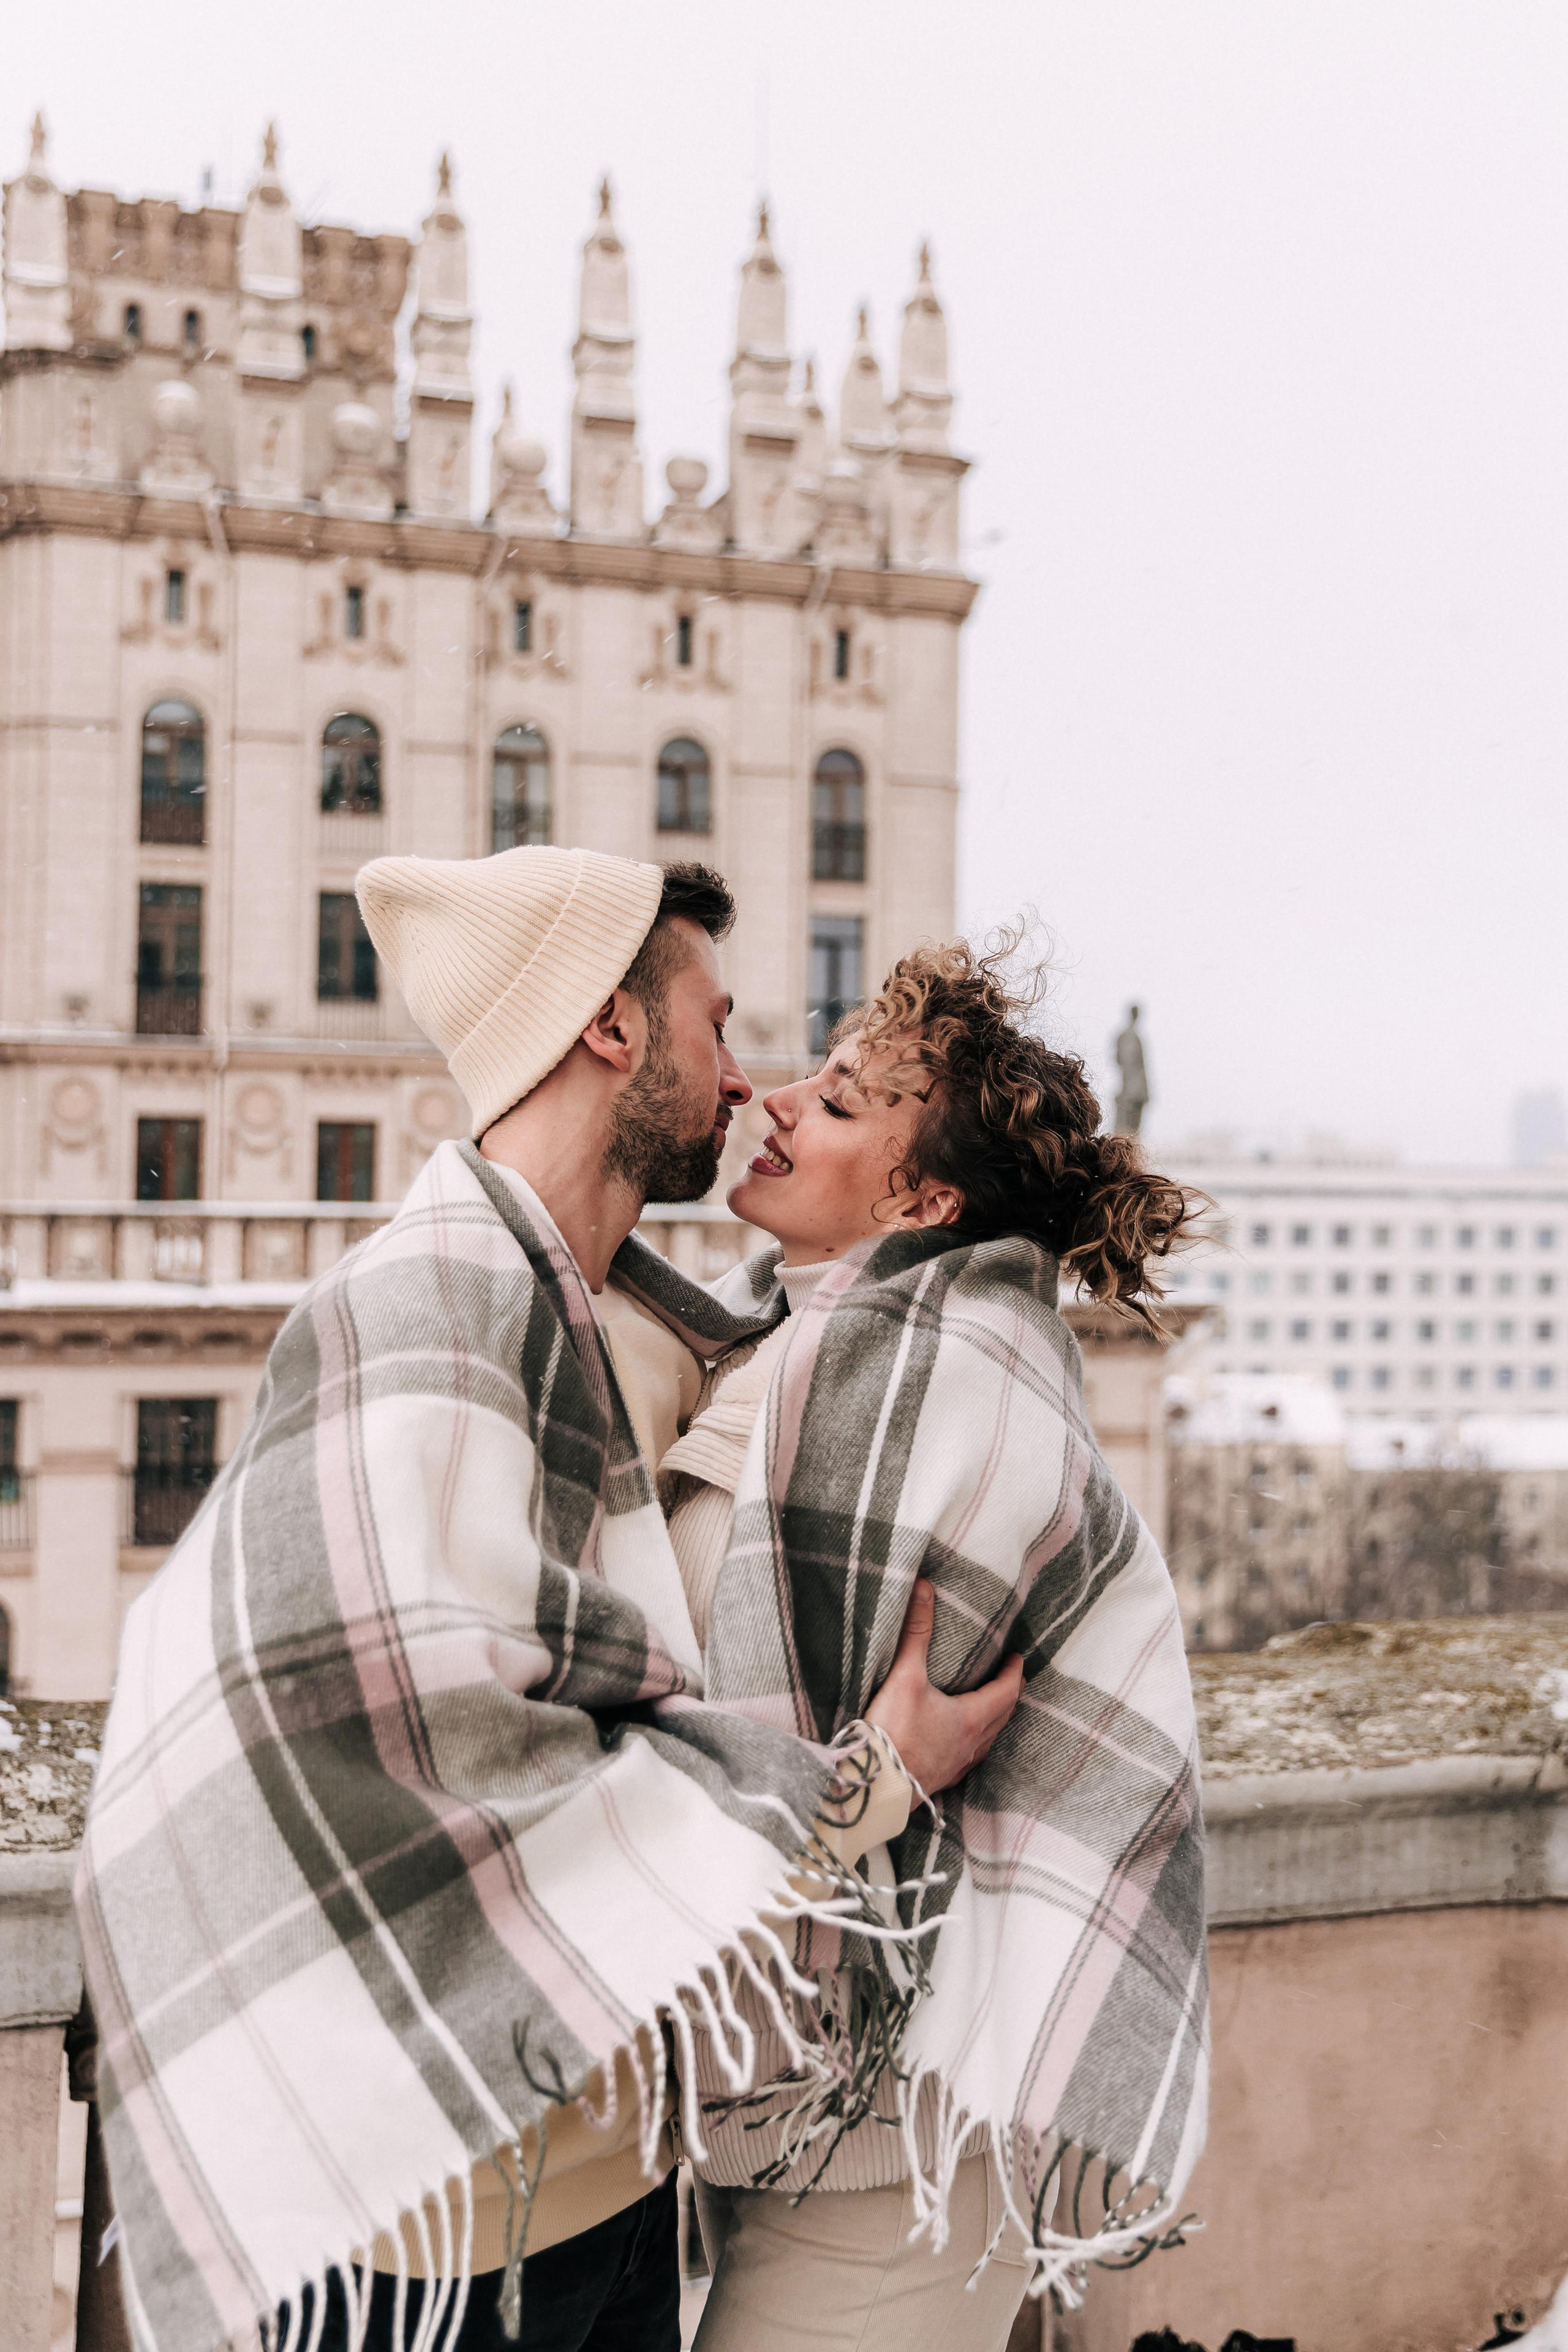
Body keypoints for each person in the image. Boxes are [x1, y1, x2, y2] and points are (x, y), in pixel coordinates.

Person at [75, 848, 1019, 2352]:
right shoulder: (416, 1314)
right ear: (610, 1029)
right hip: (413, 2225)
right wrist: (867, 1789)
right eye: (715, 1024)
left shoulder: (650, 1338)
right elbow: (415, 1759)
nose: (742, 1081)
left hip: (612, 2182)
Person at [654, 939, 1210, 2352]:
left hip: (891, 2124)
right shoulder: (806, 1359)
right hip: (788, 2093)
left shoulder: (952, 1390)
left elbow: (839, 1773)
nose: (774, 1102)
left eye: (837, 1104)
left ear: (922, 1195)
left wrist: (864, 1786)